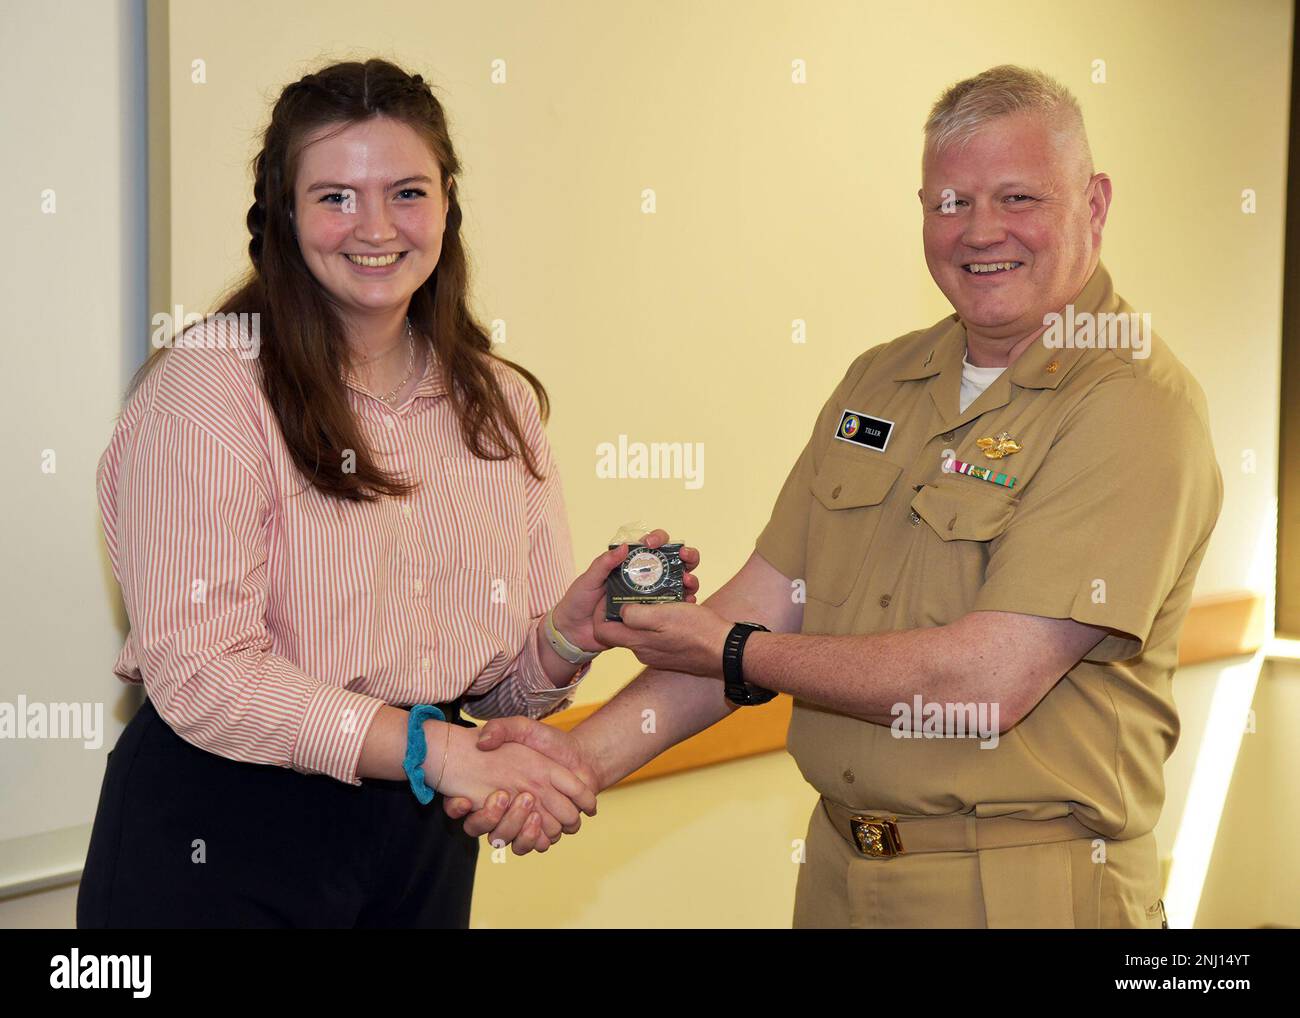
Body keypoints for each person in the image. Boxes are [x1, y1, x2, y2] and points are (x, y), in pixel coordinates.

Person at [447, 65, 1223, 929]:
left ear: (1095, 203)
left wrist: (736, 649)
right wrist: (576, 758)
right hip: (840, 875)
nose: (980, 231)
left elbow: (989, 680)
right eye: (950, 203)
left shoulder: (1133, 404)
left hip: (1024, 889)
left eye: (1019, 198)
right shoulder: (882, 380)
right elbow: (763, 604)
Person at [77, 58, 696, 929]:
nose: (374, 226)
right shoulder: (211, 386)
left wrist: (564, 637)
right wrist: (433, 749)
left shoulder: (499, 403)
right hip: (220, 832)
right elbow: (203, 669)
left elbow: (481, 696)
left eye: (407, 192)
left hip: (420, 830)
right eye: (334, 196)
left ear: (448, 203)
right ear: (283, 215)